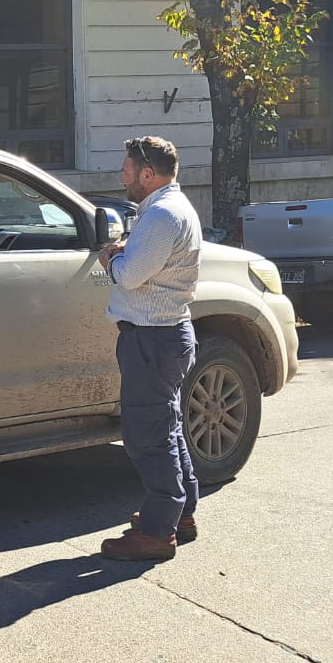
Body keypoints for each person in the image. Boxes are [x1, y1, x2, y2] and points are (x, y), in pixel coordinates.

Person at [98, 136, 203, 562]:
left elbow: (132, 275)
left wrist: (111, 259)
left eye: (126, 169)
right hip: (162, 336)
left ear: (147, 173)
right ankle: (181, 515)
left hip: (152, 339)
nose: (121, 175)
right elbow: (149, 262)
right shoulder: (169, 208)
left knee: (148, 437)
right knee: (167, 427)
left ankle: (159, 533)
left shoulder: (161, 214)